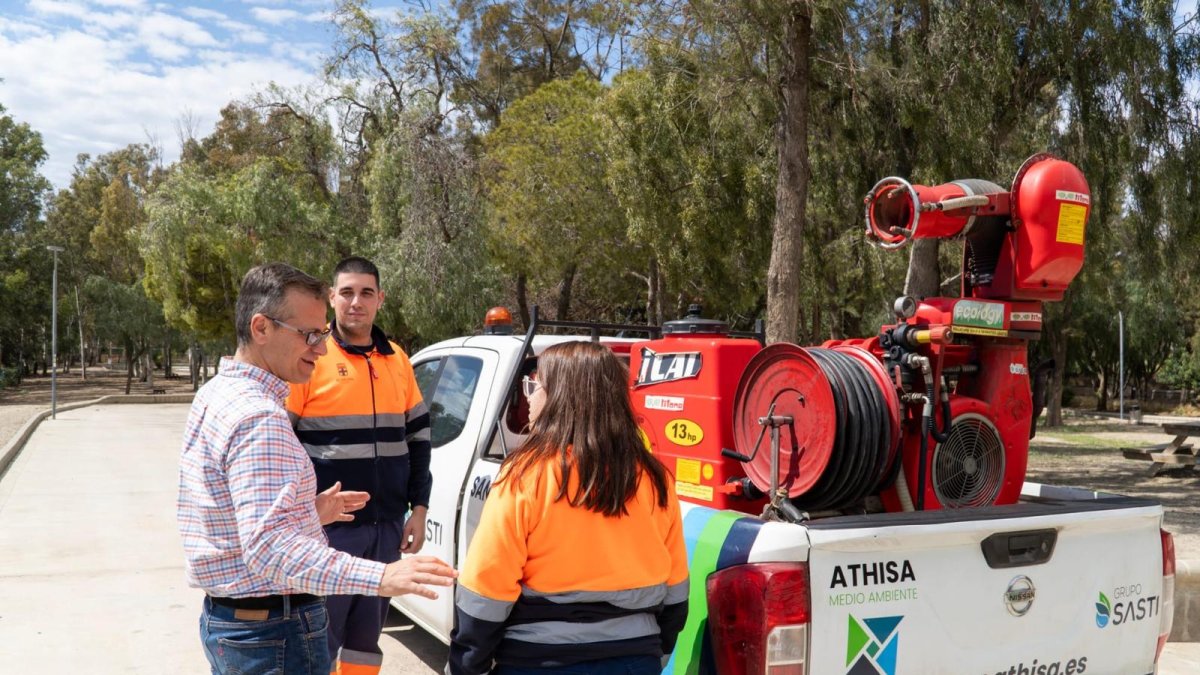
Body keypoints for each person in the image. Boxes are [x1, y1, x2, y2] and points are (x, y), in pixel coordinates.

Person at [177, 262, 456, 675]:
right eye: (310, 335)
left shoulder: (219, 394)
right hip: (274, 630)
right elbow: (270, 549)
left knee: (363, 646)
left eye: (321, 334)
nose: (321, 348)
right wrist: (382, 577)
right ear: (261, 328)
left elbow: (242, 518)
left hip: (246, 623)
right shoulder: (260, 417)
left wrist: (310, 511)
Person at [448, 341, 689, 675]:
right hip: (635, 658)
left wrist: (467, 665)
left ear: (563, 396)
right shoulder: (654, 478)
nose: (530, 397)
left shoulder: (525, 475)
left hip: (538, 660)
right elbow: (676, 590)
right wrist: (652, 651)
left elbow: (486, 587)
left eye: (536, 386)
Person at [286, 256, 433, 675]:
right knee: (320, 636)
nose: (356, 302)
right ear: (332, 298)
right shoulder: (310, 359)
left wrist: (417, 510)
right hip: (328, 530)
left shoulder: (398, 360)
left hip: (385, 528)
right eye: (346, 292)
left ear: (380, 299)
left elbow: (419, 440)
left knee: (366, 642)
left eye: (366, 292)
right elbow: (283, 442)